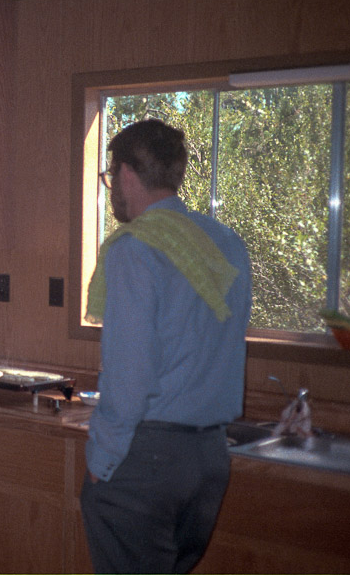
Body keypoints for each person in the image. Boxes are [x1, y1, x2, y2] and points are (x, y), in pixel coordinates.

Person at [80, 119, 252, 573]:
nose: (112, 187)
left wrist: (102, 461)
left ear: (127, 175)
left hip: (145, 462)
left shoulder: (134, 249)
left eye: (110, 176)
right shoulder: (227, 243)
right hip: (209, 459)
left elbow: (129, 374)